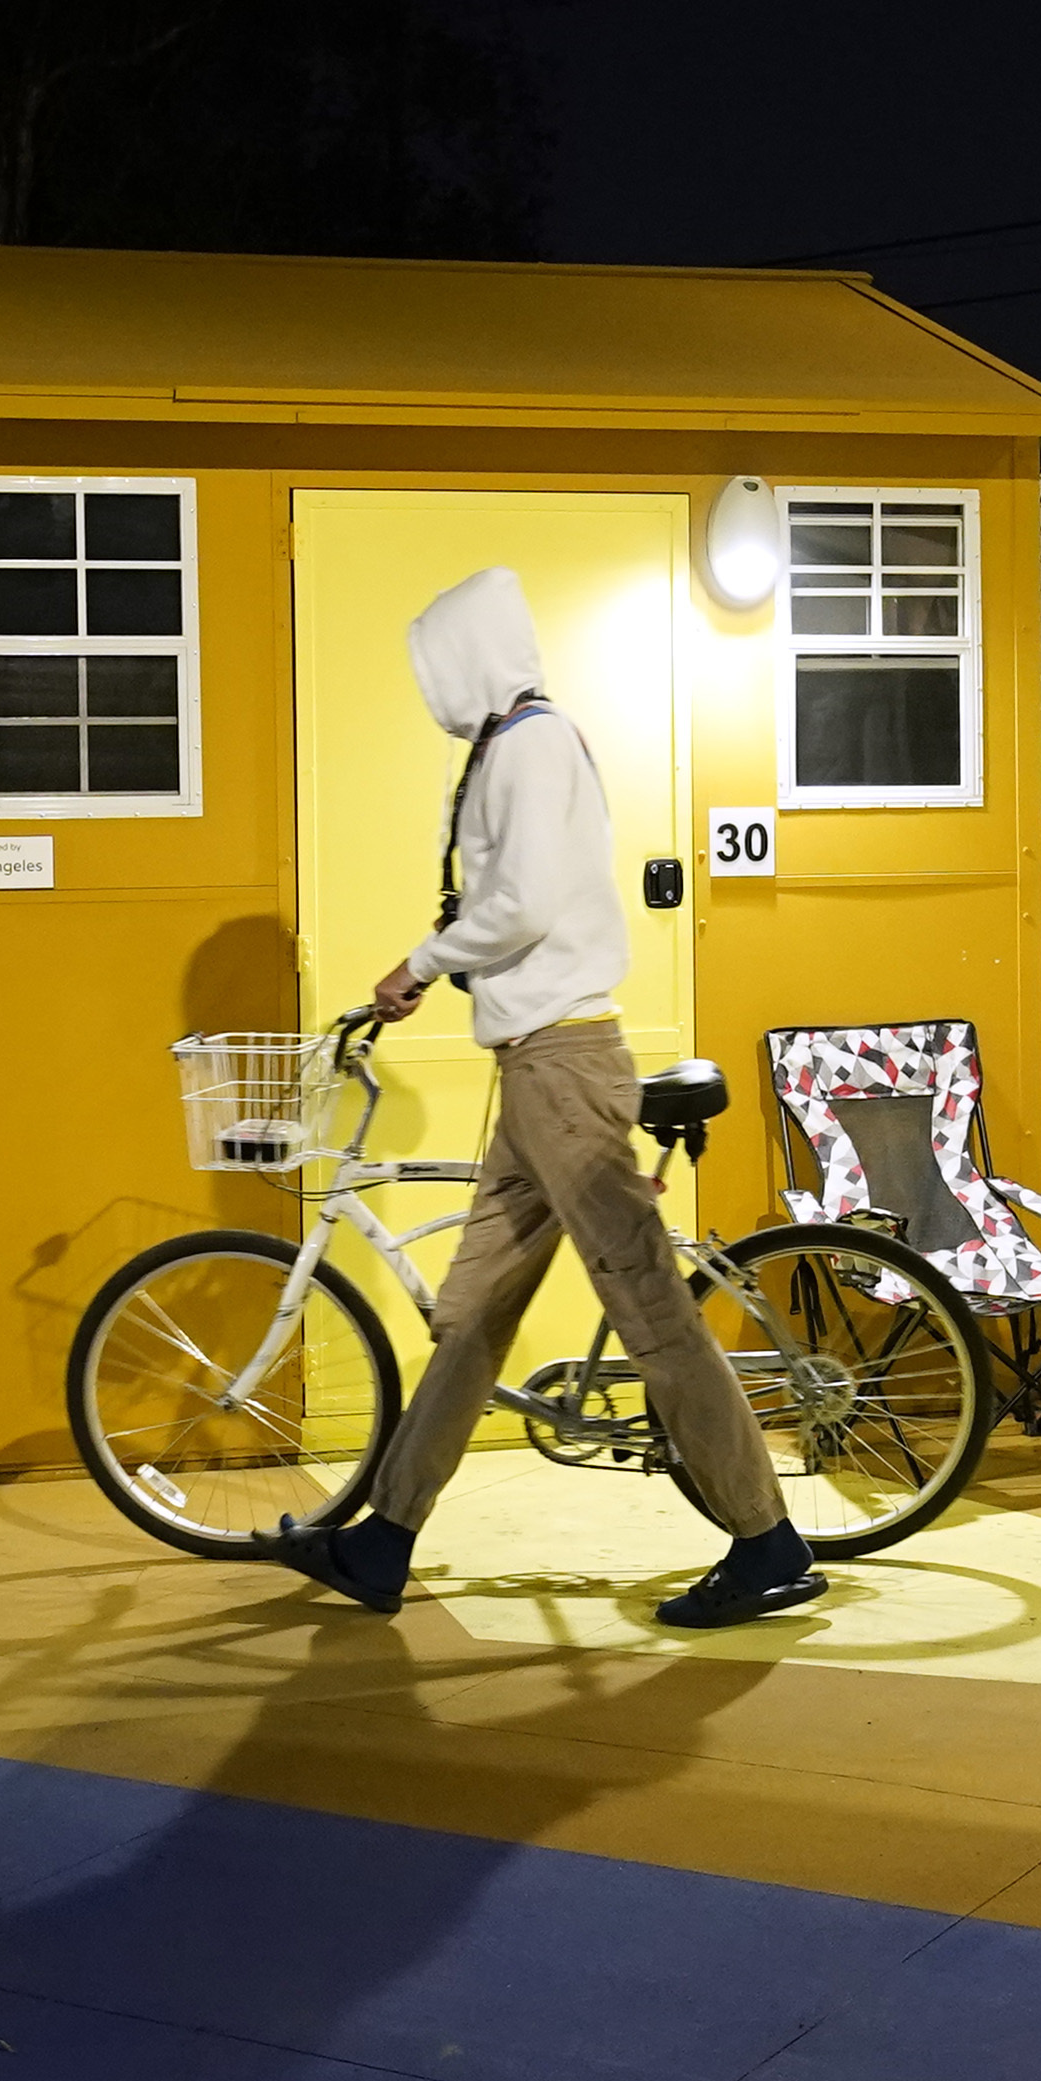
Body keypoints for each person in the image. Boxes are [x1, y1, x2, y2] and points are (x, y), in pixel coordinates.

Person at [274, 567, 814, 1630]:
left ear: (470, 656)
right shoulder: (511, 746)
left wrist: (419, 963)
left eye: (436, 660)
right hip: (533, 1066)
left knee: (651, 1309)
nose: (430, 683)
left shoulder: (529, 747)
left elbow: (519, 902)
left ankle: (768, 1543)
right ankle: (386, 1539)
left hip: (563, 1066)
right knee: (472, 1313)